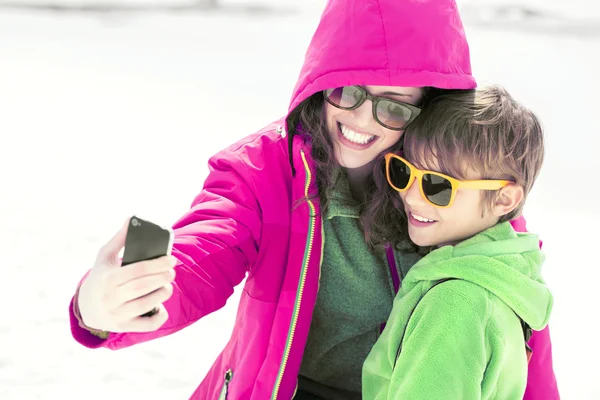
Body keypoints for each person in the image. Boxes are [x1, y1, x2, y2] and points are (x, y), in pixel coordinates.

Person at [68, 0, 559, 399]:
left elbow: (522, 332)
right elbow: (205, 251)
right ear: (321, 84)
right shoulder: (263, 172)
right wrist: (110, 306)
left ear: (426, 105)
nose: (362, 121)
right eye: (346, 91)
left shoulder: (457, 188)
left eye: (393, 105)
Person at [361, 86, 553, 399]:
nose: (409, 195)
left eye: (437, 185)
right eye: (403, 171)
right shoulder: (504, 278)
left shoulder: (455, 302)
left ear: (504, 199)